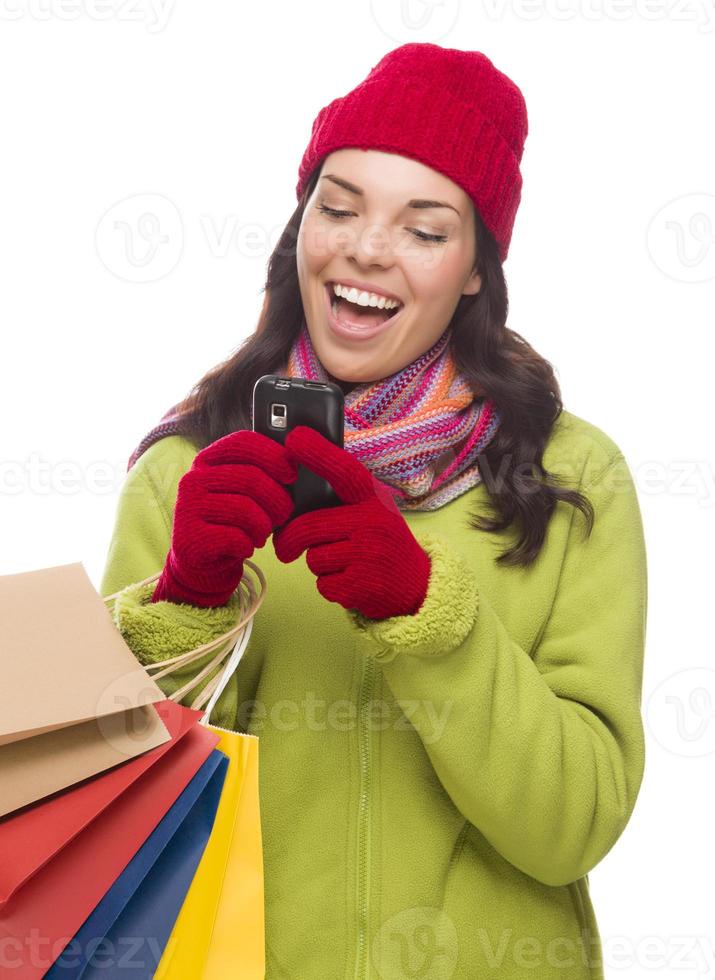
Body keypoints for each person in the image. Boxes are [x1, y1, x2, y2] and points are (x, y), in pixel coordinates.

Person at [101, 42, 648, 980]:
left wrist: (428, 620)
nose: (363, 248)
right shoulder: (188, 465)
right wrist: (187, 603)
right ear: (300, 226)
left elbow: (574, 826)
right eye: (338, 206)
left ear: (477, 269)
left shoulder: (572, 476)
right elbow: (101, 819)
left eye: (424, 228)